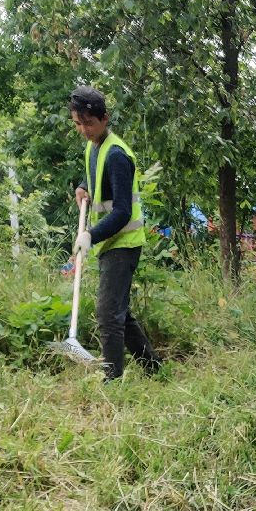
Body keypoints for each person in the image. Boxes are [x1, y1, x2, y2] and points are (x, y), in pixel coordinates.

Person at [69, 86, 160, 381]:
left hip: (124, 242)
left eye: (89, 123)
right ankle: (153, 368)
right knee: (120, 312)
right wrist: (83, 186)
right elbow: (95, 176)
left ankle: (113, 379)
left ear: (105, 118)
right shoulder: (94, 145)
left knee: (108, 314)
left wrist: (90, 235)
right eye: (78, 123)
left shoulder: (118, 155)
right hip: (110, 241)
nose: (84, 129)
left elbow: (121, 211)